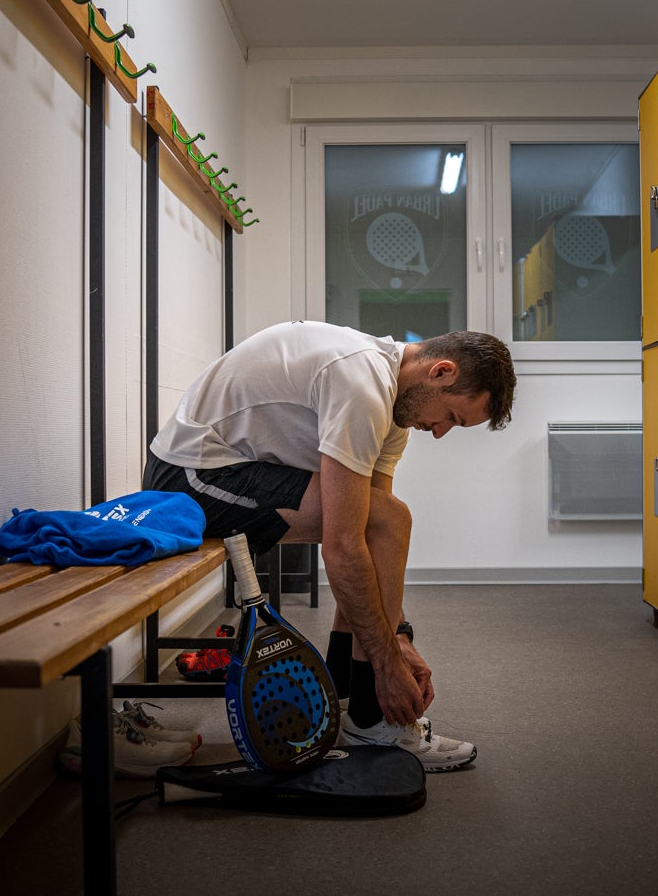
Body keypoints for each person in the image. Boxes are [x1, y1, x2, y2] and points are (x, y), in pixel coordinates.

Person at [144, 320, 515, 770]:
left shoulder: (393, 410)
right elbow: (342, 547)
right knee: (382, 524)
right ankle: (371, 718)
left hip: (232, 468)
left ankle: (343, 700)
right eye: (451, 417)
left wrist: (399, 636)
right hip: (188, 477)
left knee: (380, 525)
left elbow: (373, 545)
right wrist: (387, 665)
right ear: (440, 372)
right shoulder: (361, 383)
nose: (440, 432)